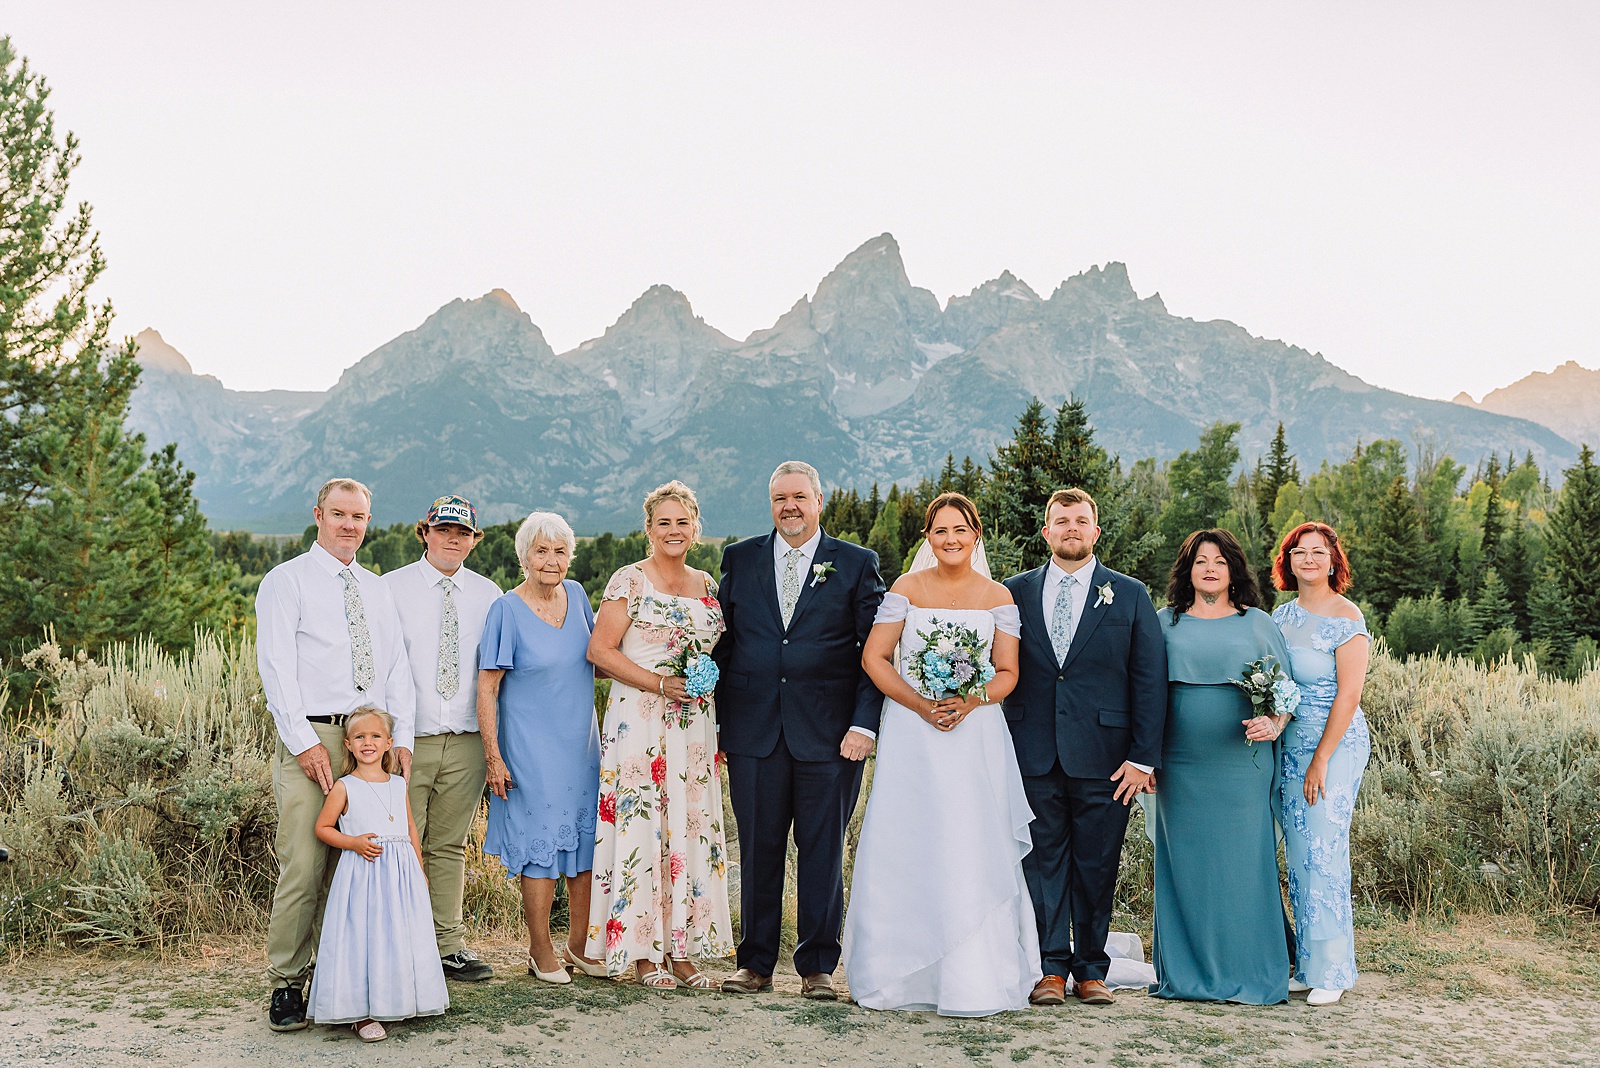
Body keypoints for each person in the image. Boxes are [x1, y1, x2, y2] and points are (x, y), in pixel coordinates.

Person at [842, 494, 1038, 1015]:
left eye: (960, 529)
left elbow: (1008, 673)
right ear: (927, 538)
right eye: (940, 531)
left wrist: (972, 701)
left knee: (971, 838)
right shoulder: (907, 589)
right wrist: (921, 705)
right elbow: (875, 657)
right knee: (911, 837)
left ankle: (974, 974)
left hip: (975, 735)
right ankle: (900, 975)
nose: (950, 539)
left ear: (976, 534)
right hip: (914, 733)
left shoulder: (998, 596)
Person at [713, 461, 886, 1000]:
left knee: (822, 849)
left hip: (832, 736)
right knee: (758, 848)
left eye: (799, 497)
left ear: (818, 500)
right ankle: (756, 962)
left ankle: (817, 966)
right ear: (771, 504)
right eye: (779, 498)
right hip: (753, 730)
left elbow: (875, 654)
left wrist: (864, 723)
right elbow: (721, 640)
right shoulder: (740, 559)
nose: (789, 506)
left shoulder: (856, 564)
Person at [256, 478, 416, 1032]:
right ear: (318, 515)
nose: (351, 525)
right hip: (314, 735)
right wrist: (302, 742)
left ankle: (341, 977)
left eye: (360, 516)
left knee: (356, 863)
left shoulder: (376, 589)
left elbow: (396, 668)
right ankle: (287, 982)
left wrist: (400, 741)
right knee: (304, 861)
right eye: (340, 514)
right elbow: (276, 668)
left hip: (369, 744)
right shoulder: (287, 582)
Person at [1001, 488, 1166, 1007]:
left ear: (1096, 532)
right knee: (1043, 863)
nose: (1071, 528)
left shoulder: (1131, 594)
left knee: (1097, 863)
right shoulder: (1012, 593)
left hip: (1108, 757)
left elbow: (1150, 680)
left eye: (1081, 520)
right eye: (1060, 520)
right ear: (1046, 531)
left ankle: (1091, 968)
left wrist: (1143, 757)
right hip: (1032, 751)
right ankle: (1051, 969)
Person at [585, 481, 732, 989]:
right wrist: (660, 683)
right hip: (640, 719)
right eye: (663, 522)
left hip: (693, 727)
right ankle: (642, 952)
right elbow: (599, 652)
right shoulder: (630, 580)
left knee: (687, 827)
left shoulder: (708, 584)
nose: (673, 530)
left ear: (695, 528)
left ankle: (684, 952)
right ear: (648, 528)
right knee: (643, 824)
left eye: (682, 522)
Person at [1146, 529, 1294, 1004]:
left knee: (1243, 863)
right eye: (1199, 561)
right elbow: (1141, 694)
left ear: (1234, 570)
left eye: (1219, 561)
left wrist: (1274, 722)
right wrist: (1143, 757)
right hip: (1179, 766)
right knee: (1184, 864)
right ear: (1186, 570)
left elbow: (1286, 692)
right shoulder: (1163, 622)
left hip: (1241, 764)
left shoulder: (1257, 623)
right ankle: (1186, 974)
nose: (1209, 568)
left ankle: (1250, 968)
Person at [478, 511, 602, 984]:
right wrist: (494, 756)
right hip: (529, 749)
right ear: (524, 556)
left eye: (560, 551)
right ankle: (539, 949)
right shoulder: (505, 610)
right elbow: (486, 688)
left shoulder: (577, 595)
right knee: (541, 851)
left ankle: (578, 944)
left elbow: (598, 658)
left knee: (584, 845)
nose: (552, 560)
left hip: (581, 745)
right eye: (541, 550)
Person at [383, 494, 502, 983]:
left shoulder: (489, 594)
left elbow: (493, 673)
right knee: (396, 843)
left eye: (463, 532)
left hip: (468, 740)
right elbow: (385, 668)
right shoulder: (391, 588)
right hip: (410, 740)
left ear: (474, 540)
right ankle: (394, 943)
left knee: (448, 846)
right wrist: (390, 737)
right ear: (425, 532)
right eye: (444, 529)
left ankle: (447, 946)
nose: (453, 538)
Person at [1272, 522, 1372, 1007]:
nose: (1309, 559)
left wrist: (1321, 760)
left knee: (1324, 852)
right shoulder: (1281, 616)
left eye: (1319, 552)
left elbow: (1349, 695)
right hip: (1288, 746)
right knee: (1298, 854)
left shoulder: (1346, 618)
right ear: (1287, 561)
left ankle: (1333, 970)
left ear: (1334, 560)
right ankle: (1307, 964)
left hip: (1334, 746)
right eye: (1299, 552)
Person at [306, 708, 447, 1041]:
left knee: (397, 936)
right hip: (363, 876)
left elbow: (411, 828)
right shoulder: (344, 787)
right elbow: (322, 827)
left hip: (400, 876)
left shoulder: (399, 785)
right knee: (364, 939)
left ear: (389, 743)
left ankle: (397, 998)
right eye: (359, 737)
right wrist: (353, 842)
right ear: (349, 745)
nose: (367, 742)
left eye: (375, 736)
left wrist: (418, 867)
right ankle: (361, 1012)